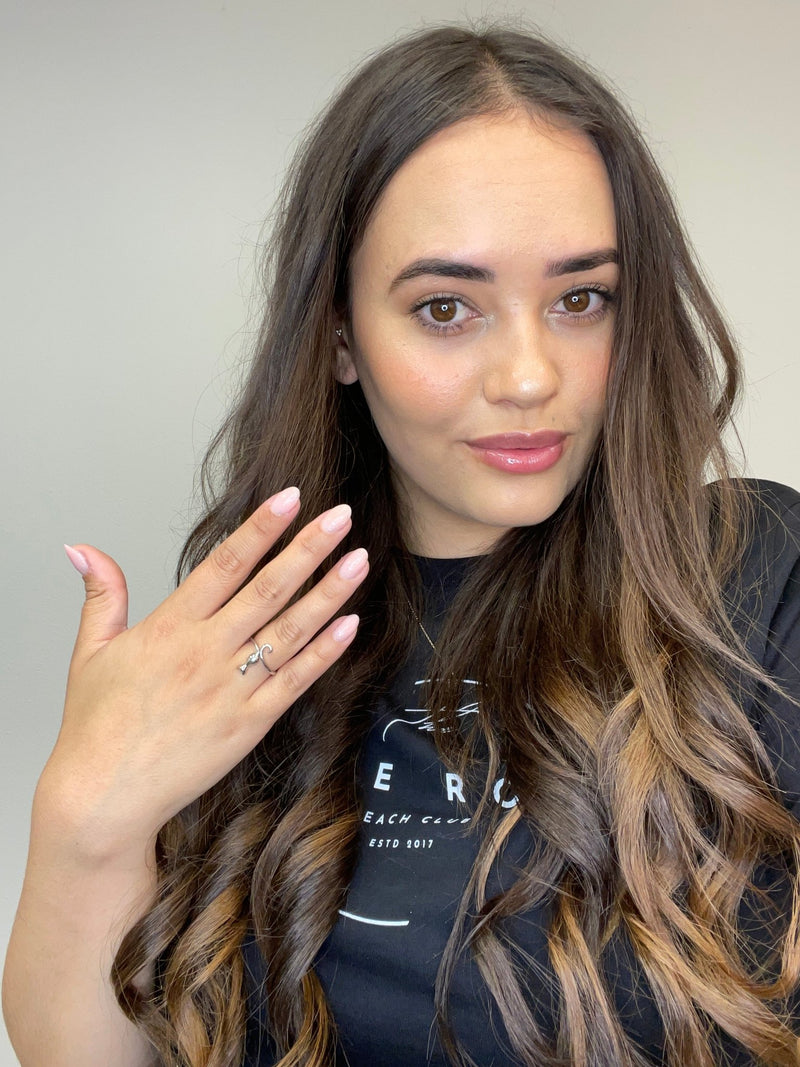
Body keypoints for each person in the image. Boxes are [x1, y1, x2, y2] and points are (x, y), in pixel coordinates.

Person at [4, 21, 800, 1067]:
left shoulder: (752, 576)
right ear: (338, 334)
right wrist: (81, 818)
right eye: (443, 308)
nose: (526, 375)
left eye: (579, 298)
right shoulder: (252, 625)